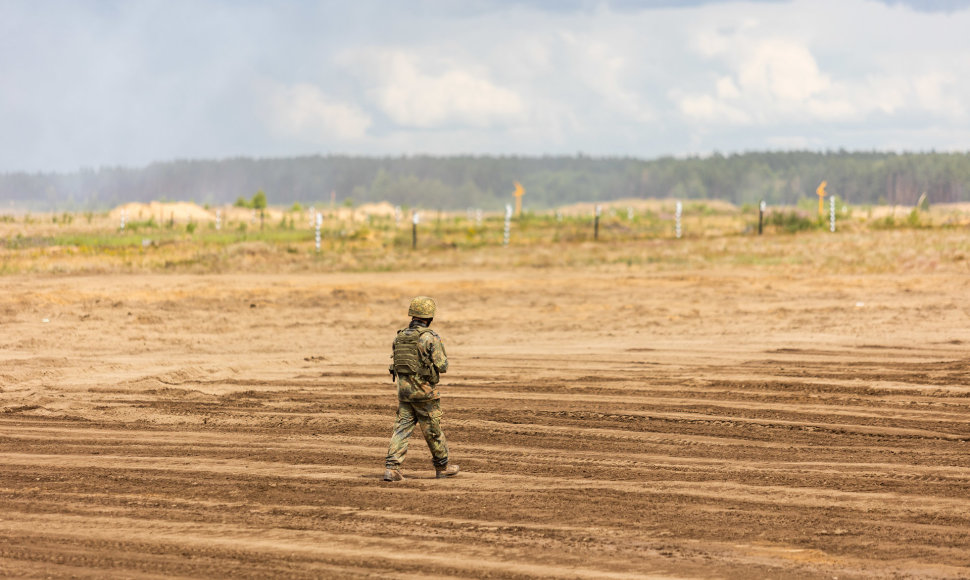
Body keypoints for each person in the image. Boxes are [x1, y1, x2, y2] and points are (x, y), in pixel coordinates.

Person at [383, 296, 459, 481]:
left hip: (404, 394)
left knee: (401, 430)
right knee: (433, 430)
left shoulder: (399, 336)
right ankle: (442, 467)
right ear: (429, 317)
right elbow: (443, 365)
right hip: (425, 394)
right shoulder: (430, 338)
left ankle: (392, 468)